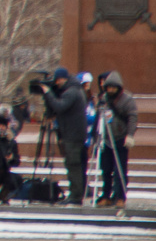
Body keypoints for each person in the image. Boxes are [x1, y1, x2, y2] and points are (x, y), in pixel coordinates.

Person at [36, 68, 89, 205]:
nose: (57, 83)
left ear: (62, 79)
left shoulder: (71, 92)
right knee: (72, 164)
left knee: (73, 164)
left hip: (73, 134)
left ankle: (76, 196)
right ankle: (75, 194)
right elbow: (56, 109)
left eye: (57, 80)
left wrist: (48, 93)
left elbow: (59, 107)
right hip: (72, 133)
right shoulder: (74, 89)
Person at [95, 72, 137, 207]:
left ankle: (120, 196)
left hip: (120, 138)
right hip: (106, 139)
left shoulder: (127, 100)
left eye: (113, 88)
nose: (110, 90)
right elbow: (99, 117)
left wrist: (130, 135)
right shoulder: (103, 100)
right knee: (106, 169)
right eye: (108, 88)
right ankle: (106, 195)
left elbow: (132, 118)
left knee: (120, 170)